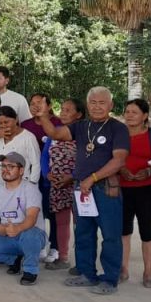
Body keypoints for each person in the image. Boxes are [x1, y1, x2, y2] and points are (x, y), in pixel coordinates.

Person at [37, 86, 128, 295]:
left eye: (102, 103)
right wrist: (43, 116)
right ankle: (87, 274)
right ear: (88, 105)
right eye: (93, 103)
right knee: (83, 232)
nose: (97, 107)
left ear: (111, 105)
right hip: (82, 189)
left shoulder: (118, 128)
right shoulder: (81, 126)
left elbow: (119, 160)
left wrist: (93, 178)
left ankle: (110, 279)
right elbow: (55, 133)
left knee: (110, 235)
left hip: (105, 188)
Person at [0, 152, 47, 286]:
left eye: (11, 166)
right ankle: (14, 260)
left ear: (21, 170)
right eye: (3, 166)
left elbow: (31, 218)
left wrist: (18, 228)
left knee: (31, 235)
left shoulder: (31, 189)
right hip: (7, 235)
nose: (5, 170)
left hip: (30, 234)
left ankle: (30, 270)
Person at [120, 98, 151, 288]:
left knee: (147, 231)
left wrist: (149, 171)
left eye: (134, 112)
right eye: (127, 112)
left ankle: (148, 273)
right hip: (122, 189)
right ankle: (123, 269)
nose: (129, 115)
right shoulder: (118, 134)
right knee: (123, 231)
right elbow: (110, 158)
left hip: (146, 189)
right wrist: (120, 170)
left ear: (145, 116)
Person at [23, 93, 63, 265]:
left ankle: (55, 246)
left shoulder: (58, 123)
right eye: (32, 103)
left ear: (49, 105)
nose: (35, 106)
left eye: (39, 102)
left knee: (52, 212)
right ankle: (38, 245)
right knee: (33, 211)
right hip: (30, 175)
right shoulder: (25, 125)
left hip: (51, 176)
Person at [44, 98, 83, 271]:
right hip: (58, 184)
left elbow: (87, 160)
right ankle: (63, 257)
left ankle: (82, 262)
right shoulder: (54, 132)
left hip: (78, 184)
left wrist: (72, 176)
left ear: (79, 114)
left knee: (81, 224)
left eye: (68, 110)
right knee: (61, 222)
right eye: (62, 109)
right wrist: (47, 174)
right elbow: (45, 156)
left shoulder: (83, 133)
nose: (63, 113)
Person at [0, 106, 41, 187]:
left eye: (6, 122)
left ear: (16, 119)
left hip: (18, 185)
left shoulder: (28, 137)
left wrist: (32, 184)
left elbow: (36, 163)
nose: (3, 126)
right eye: (0, 123)